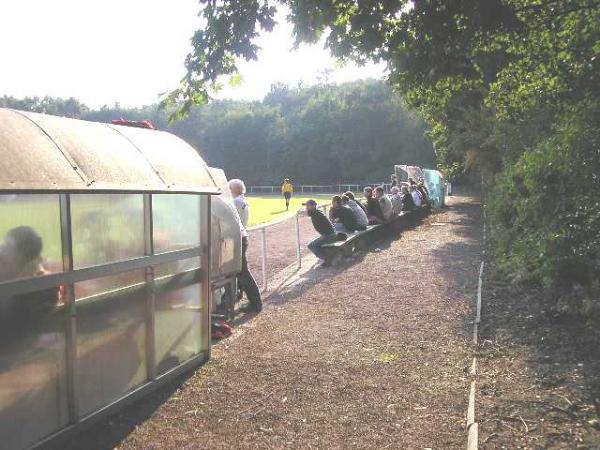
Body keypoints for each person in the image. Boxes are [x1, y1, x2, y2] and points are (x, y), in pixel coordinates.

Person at [229, 179, 262, 312]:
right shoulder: (243, 200)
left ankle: (255, 303)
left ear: (234, 189)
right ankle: (239, 296)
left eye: (229, 188)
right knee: (240, 271)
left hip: (238, 238)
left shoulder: (236, 202)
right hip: (242, 236)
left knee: (243, 272)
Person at [305, 199, 338, 266]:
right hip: (330, 234)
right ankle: (328, 257)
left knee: (311, 245)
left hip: (329, 236)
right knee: (317, 243)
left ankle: (327, 259)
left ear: (313, 206)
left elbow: (308, 213)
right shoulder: (316, 212)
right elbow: (309, 213)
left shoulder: (316, 213)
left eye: (308, 206)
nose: (306, 207)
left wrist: (303, 212)